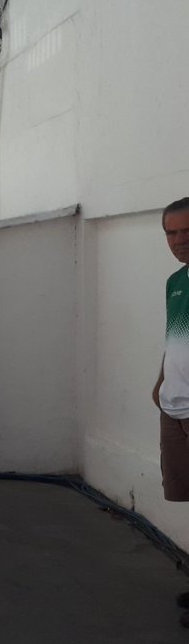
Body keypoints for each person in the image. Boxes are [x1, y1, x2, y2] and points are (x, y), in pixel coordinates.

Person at [154, 197, 189, 628]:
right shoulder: (176, 282)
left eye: (188, 231)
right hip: (174, 409)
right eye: (172, 232)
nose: (179, 240)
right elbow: (174, 339)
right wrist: (161, 381)